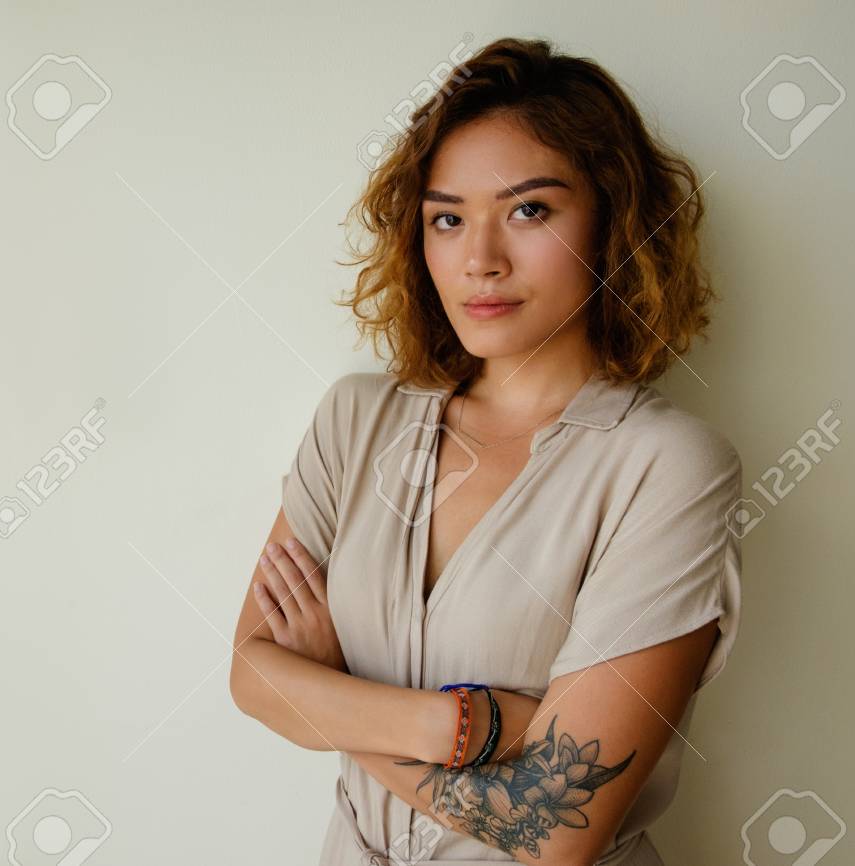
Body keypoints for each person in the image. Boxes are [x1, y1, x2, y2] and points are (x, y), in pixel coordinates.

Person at [228, 36, 743, 866]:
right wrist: (464, 724)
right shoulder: (354, 421)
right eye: (447, 218)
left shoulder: (668, 467)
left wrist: (331, 700)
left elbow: (556, 830)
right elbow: (252, 677)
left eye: (529, 210)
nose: (480, 260)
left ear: (612, 219)